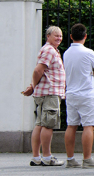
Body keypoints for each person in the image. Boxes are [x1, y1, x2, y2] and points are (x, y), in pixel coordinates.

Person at [22, 26, 66, 167]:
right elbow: (38, 70)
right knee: (48, 125)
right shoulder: (49, 50)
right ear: (48, 36)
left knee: (40, 124)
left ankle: (36, 157)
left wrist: (33, 86)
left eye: (60, 36)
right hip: (50, 91)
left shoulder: (49, 50)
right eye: (56, 36)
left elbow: (39, 71)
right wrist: (33, 85)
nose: (59, 38)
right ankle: (47, 157)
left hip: (45, 91)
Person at [63, 23, 94, 168]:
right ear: (85, 36)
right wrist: (91, 73)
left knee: (71, 125)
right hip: (86, 93)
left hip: (71, 93)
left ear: (71, 36)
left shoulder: (66, 53)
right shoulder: (89, 52)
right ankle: (87, 159)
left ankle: (70, 159)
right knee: (88, 126)